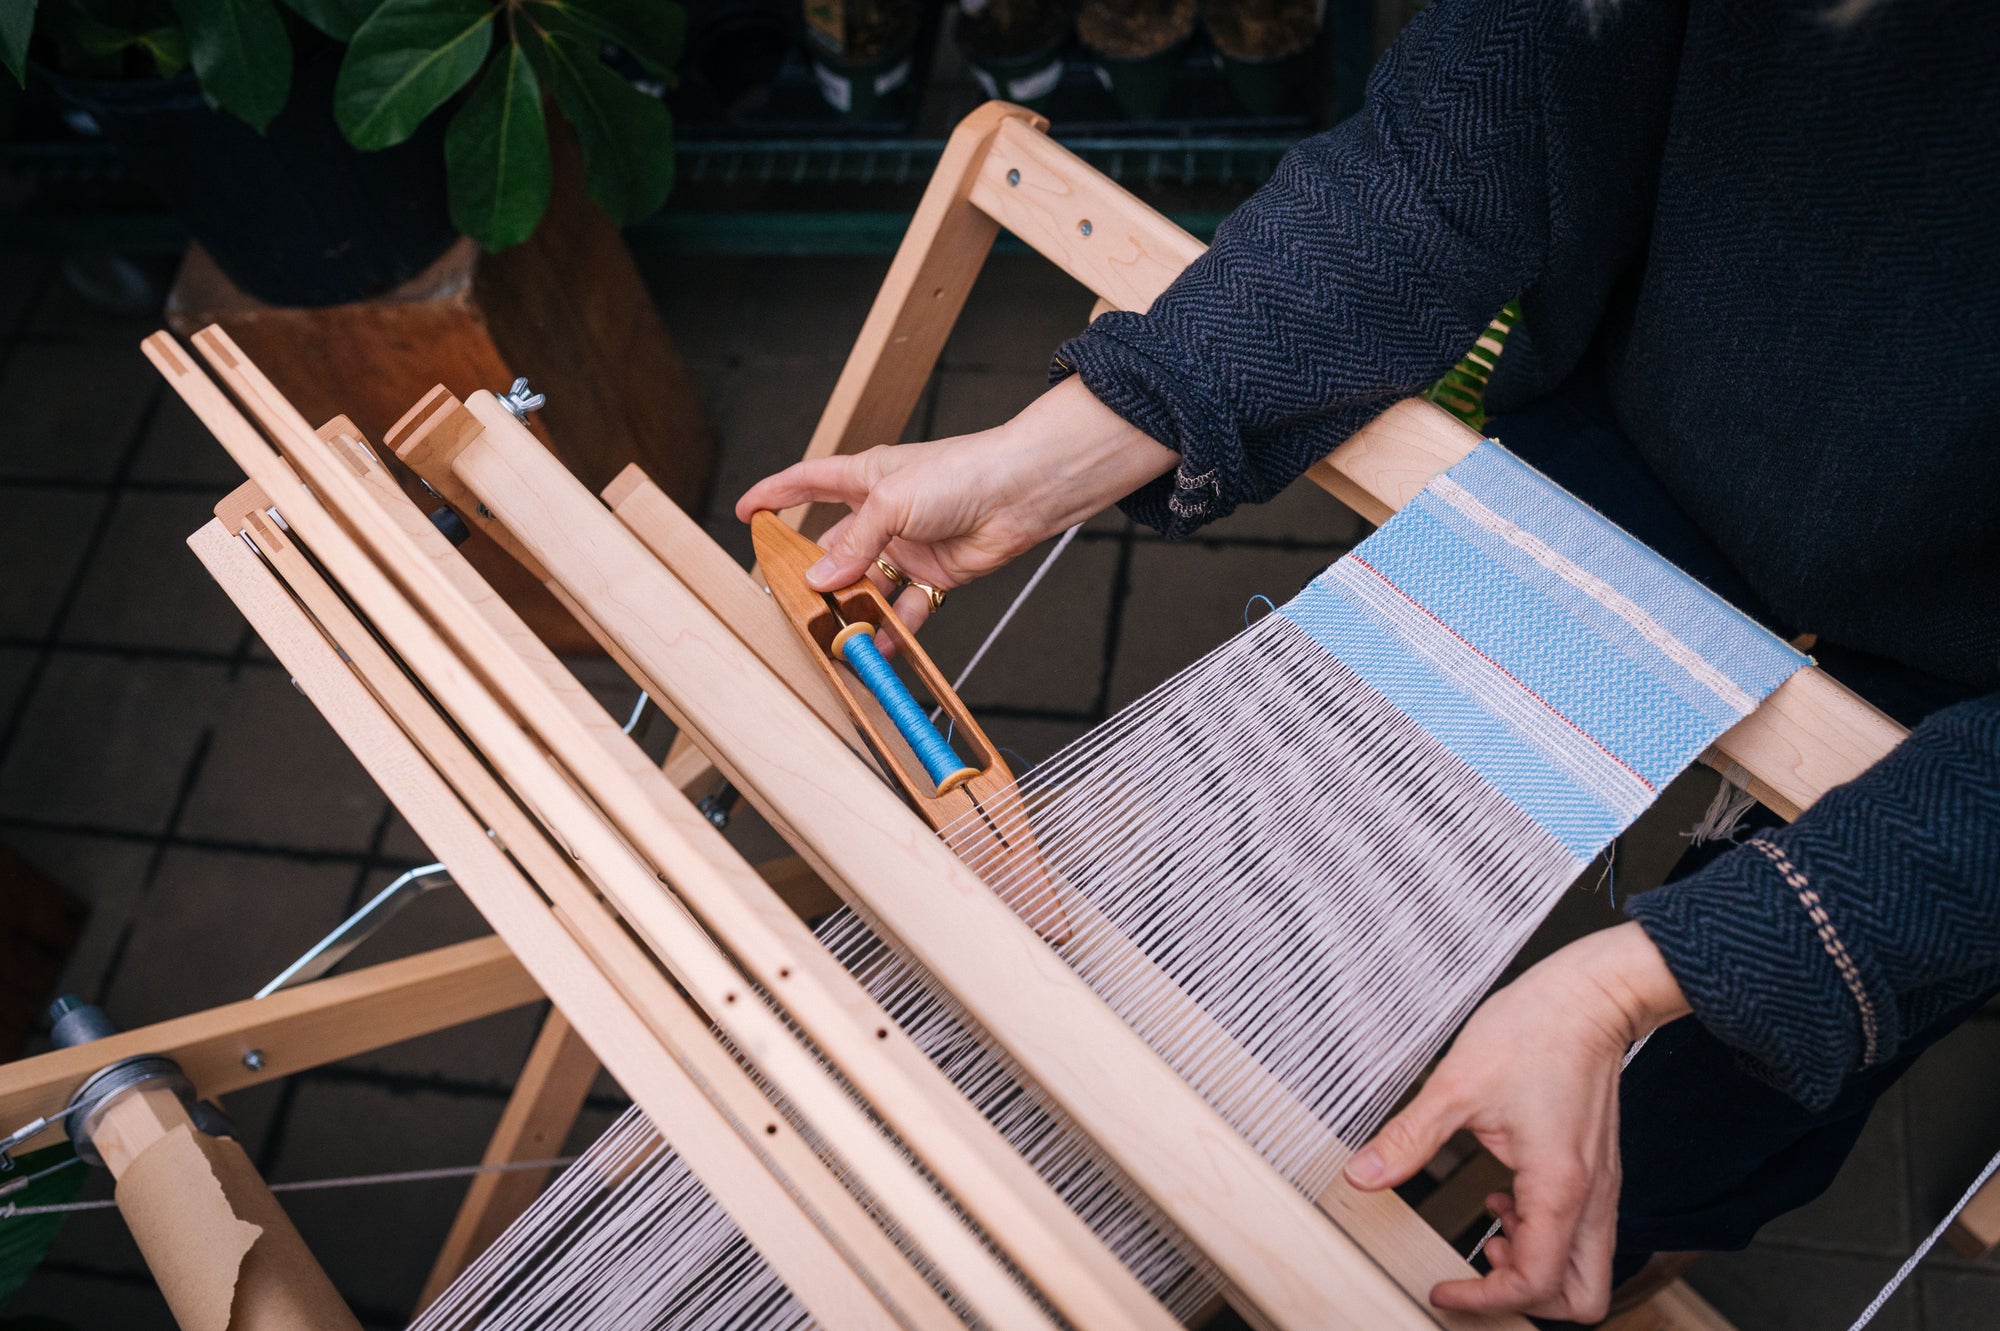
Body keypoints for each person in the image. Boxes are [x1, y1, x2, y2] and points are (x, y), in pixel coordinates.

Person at [739, 0, 1999, 1321]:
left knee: (1716, 1087)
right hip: (1661, 437)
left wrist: (1645, 981)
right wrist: (1050, 454)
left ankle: (1587, 1247)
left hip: (1965, 663)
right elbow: (1463, 155)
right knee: (1304, 863)